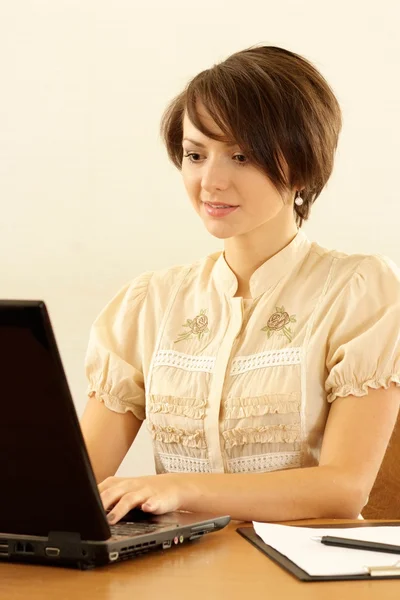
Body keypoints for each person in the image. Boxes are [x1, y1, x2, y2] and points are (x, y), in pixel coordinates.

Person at [80, 45, 400, 525]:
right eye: (195, 154)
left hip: (306, 582)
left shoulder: (359, 291)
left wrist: (179, 487)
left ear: (303, 162)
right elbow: (74, 485)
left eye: (241, 155)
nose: (211, 180)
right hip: (173, 577)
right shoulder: (149, 304)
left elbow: (342, 490)